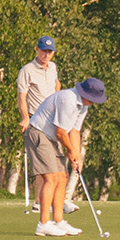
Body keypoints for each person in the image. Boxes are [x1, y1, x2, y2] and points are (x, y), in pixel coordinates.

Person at [27, 78, 106, 237]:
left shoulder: (83, 106)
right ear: (86, 94)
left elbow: (74, 131)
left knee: (62, 177)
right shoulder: (69, 100)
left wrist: (77, 157)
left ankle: (58, 221)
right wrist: (70, 151)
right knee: (51, 178)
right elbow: (60, 132)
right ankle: (43, 224)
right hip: (38, 133)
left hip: (52, 138)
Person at [16, 36, 75, 213]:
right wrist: (25, 118)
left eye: (49, 52)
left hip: (53, 120)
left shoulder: (53, 68)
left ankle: (54, 200)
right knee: (44, 165)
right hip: (36, 119)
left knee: (56, 162)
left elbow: (57, 85)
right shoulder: (27, 70)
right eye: (43, 51)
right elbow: (22, 96)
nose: (46, 55)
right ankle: (40, 202)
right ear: (37, 50)